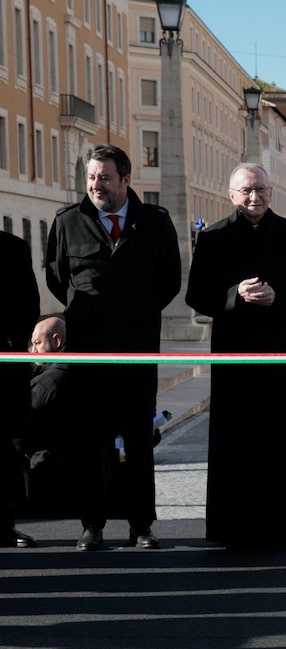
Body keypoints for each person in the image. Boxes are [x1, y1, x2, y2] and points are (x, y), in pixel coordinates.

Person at [46, 144, 181, 551]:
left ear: (125, 179)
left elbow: (170, 280)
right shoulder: (68, 222)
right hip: (89, 353)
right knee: (90, 441)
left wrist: (134, 314)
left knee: (138, 439)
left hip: (137, 351)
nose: (96, 185)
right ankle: (92, 525)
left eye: (104, 177)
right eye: (91, 177)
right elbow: (57, 278)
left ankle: (141, 526)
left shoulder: (155, 222)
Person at [186, 163, 286, 547]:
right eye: (246, 190)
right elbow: (196, 294)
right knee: (235, 439)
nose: (254, 197)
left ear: (271, 193)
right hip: (233, 356)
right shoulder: (213, 238)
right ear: (231, 194)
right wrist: (235, 295)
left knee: (283, 437)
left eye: (261, 189)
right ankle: (232, 527)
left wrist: (279, 297)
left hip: (280, 351)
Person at [1, 231, 40, 548]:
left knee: (7, 446)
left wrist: (13, 342)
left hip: (5, 361)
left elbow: (29, 303)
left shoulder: (12, 248)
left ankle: (4, 522)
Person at [23, 317, 76, 518]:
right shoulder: (75, 367)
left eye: (37, 343)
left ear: (57, 341)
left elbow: (27, 416)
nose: (33, 350)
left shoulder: (49, 381)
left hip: (48, 465)